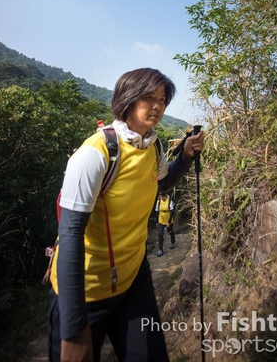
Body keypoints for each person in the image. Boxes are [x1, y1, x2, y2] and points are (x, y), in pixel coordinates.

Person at [48, 67, 204, 362]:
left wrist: (184, 155)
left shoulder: (153, 146)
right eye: (149, 97)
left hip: (133, 278)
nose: (157, 106)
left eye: (162, 99)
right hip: (87, 290)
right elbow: (70, 233)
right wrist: (72, 328)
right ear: (128, 99)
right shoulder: (95, 153)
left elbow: (162, 184)